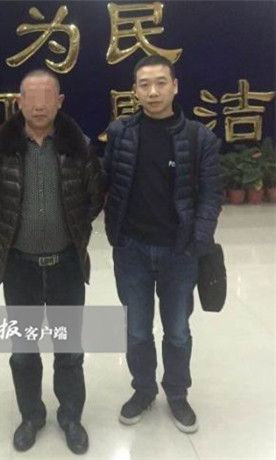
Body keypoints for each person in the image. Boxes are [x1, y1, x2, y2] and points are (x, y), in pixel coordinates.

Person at [0, 69, 104, 455]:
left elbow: (94, 196)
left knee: (69, 349)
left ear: (60, 101)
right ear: (18, 102)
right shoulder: (1, 148)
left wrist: (74, 231)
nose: (38, 106)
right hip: (20, 267)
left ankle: (71, 416)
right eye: (30, 98)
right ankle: (31, 416)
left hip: (66, 265)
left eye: (47, 97)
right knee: (23, 351)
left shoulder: (78, 146)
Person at [103, 55, 222, 433]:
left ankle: (177, 393)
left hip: (179, 252)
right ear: (134, 91)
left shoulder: (199, 138)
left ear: (175, 86)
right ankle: (143, 390)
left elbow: (211, 196)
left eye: (160, 83)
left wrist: (198, 240)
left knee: (178, 331)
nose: (152, 92)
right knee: (136, 331)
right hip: (132, 251)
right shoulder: (121, 133)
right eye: (144, 84)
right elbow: (106, 182)